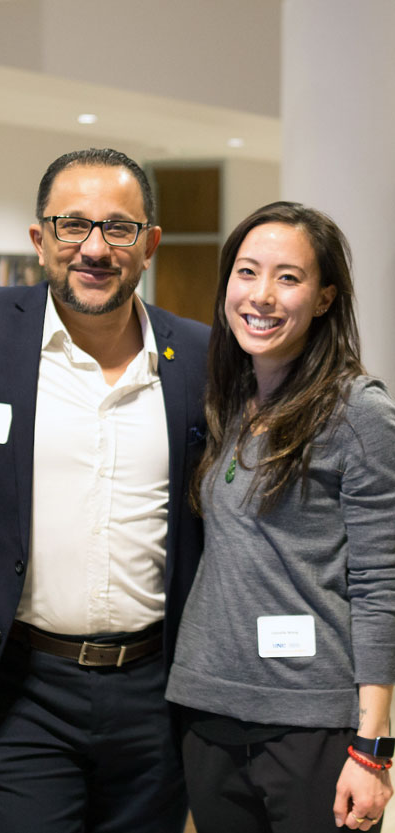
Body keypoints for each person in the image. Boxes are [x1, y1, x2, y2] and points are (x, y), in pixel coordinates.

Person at [0, 147, 209, 833]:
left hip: (155, 691)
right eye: (71, 224)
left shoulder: (201, 356)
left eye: (118, 228)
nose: (94, 247)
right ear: (39, 239)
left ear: (149, 245)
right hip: (22, 687)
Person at [166, 201, 395, 833]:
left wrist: (373, 747)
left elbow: (380, 585)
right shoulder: (229, 398)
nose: (261, 295)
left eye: (288, 278)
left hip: (310, 722)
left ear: (323, 298)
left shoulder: (357, 411)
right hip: (207, 710)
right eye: (247, 272)